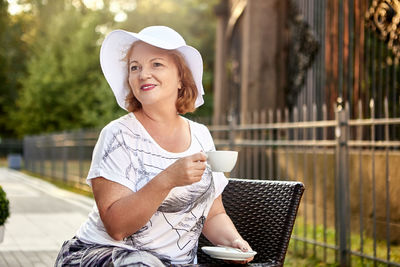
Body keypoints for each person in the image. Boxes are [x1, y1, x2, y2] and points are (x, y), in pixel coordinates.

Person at [55, 25, 253, 266]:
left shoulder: (201, 135)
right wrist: (167, 179)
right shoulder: (118, 135)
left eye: (156, 64)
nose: (143, 74)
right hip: (104, 254)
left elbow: (213, 213)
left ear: (181, 77)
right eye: (134, 67)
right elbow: (117, 227)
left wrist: (233, 242)